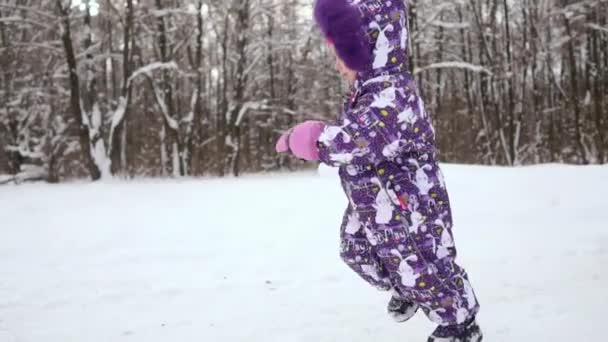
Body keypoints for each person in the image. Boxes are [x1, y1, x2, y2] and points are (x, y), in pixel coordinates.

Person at [275, 1, 482, 341]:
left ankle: (459, 324)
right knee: (354, 249)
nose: (337, 64)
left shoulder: (394, 94)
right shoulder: (368, 93)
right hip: (375, 201)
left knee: (426, 265)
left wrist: (313, 139)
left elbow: (361, 141)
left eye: (342, 53)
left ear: (367, 48)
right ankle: (406, 284)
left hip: (409, 208)